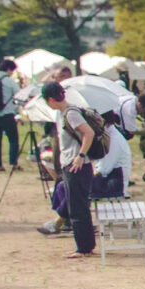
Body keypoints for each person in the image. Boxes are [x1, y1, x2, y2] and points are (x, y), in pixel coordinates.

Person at [41, 81, 97, 258]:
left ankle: (83, 248)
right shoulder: (64, 113)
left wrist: (80, 156)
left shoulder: (70, 113)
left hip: (76, 166)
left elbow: (89, 132)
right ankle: (86, 245)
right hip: (71, 165)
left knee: (77, 207)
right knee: (78, 206)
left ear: (51, 99)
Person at [90, 112, 131, 198]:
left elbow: (103, 170)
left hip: (113, 185)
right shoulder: (108, 135)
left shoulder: (113, 139)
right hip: (109, 180)